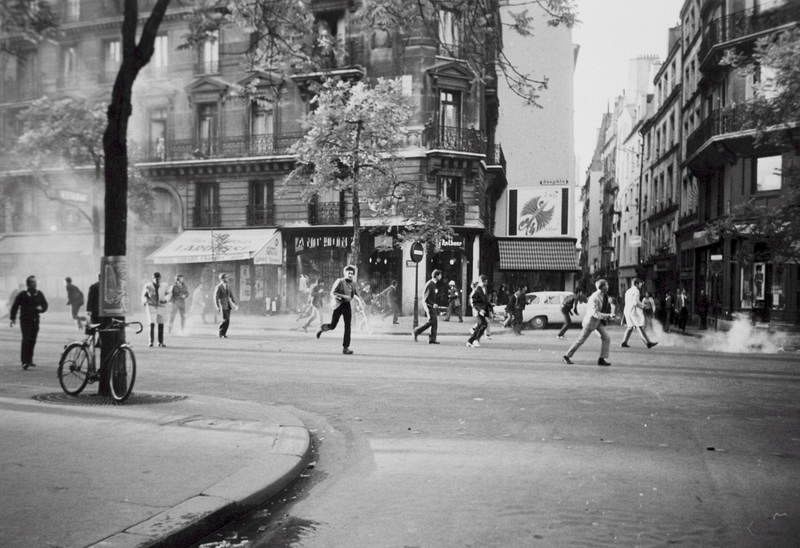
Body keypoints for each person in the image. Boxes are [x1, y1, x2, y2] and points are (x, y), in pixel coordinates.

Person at [562, 278, 615, 366]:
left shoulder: (603, 295)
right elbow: (595, 313)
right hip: (590, 322)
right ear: (602, 287)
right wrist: (608, 315)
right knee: (580, 340)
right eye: (607, 285)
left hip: (597, 322)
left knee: (606, 338)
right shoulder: (595, 297)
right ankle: (566, 356)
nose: (608, 286)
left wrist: (609, 315)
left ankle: (602, 359)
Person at [9, 275, 48, 369]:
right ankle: (24, 361)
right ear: (28, 284)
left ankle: (29, 360)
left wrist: (41, 309)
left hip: (35, 320)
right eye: (33, 282)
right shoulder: (23, 294)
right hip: (25, 320)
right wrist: (12, 318)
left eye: (35, 282)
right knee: (26, 339)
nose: (35, 283)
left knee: (32, 340)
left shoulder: (39, 294)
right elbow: (15, 306)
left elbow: (45, 305)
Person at [317, 265, 358, 354]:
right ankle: (322, 328)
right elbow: (332, 293)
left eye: (352, 273)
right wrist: (343, 297)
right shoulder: (339, 281)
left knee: (348, 326)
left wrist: (361, 301)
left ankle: (345, 348)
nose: (350, 275)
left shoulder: (353, 284)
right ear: (345, 273)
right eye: (349, 273)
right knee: (333, 326)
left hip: (347, 305)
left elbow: (355, 294)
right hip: (338, 305)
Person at [620, 278, 658, 349]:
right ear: (636, 284)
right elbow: (635, 302)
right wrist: (643, 306)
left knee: (630, 327)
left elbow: (628, 302)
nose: (641, 285)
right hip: (632, 311)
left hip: (627, 310)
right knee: (639, 326)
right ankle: (648, 343)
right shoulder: (636, 291)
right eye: (640, 283)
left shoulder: (628, 291)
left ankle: (624, 342)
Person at [413, 269, 442, 344]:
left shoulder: (433, 284)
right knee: (431, 321)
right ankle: (416, 331)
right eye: (440, 275)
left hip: (431, 305)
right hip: (429, 306)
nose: (441, 276)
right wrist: (432, 304)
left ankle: (432, 339)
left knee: (434, 322)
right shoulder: (430, 284)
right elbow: (426, 298)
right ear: (436, 276)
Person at [142, 272, 169, 347]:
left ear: (160, 278)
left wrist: (166, 300)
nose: (157, 280)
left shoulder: (164, 285)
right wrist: (145, 301)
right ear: (153, 278)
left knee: (161, 322)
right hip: (151, 305)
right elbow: (144, 295)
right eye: (155, 278)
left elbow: (168, 294)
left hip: (160, 305)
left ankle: (160, 342)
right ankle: (151, 342)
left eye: (158, 278)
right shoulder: (148, 285)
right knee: (152, 322)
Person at [466, 274, 490, 348]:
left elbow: (486, 301)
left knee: (481, 325)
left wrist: (490, 308)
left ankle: (470, 341)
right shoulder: (477, 289)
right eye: (486, 281)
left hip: (483, 310)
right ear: (484, 281)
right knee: (483, 324)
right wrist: (479, 310)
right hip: (478, 310)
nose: (487, 282)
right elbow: (474, 302)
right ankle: (475, 340)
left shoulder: (484, 289)